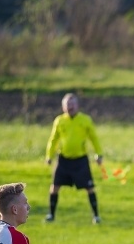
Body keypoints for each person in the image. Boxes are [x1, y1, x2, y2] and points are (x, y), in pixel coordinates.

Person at [45, 93, 104, 224]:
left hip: (80, 160)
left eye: (72, 104)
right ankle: (51, 215)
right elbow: (53, 139)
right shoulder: (59, 121)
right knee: (54, 187)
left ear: (77, 106)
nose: (70, 107)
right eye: (67, 105)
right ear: (63, 107)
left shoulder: (85, 120)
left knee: (90, 188)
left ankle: (96, 216)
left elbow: (94, 138)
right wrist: (49, 155)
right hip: (64, 160)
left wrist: (99, 154)